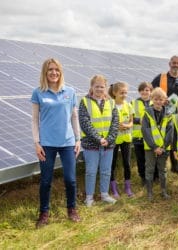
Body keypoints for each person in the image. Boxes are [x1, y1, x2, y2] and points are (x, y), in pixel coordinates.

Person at [31, 58, 81, 228]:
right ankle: (44, 212)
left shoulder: (70, 91)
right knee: (46, 180)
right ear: (45, 73)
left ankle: (71, 208)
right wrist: (37, 143)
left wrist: (78, 139)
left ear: (61, 72)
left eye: (57, 70)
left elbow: (74, 117)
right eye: (50, 70)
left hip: (67, 142)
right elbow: (34, 119)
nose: (54, 73)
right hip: (46, 144)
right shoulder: (38, 93)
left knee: (70, 179)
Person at [79, 75, 119, 207]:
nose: (99, 89)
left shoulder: (111, 102)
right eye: (96, 86)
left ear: (106, 88)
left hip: (108, 144)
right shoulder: (85, 101)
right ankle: (89, 198)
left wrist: (109, 139)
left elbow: (115, 122)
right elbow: (85, 123)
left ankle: (104, 194)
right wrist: (98, 138)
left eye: (102, 86)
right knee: (91, 171)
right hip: (91, 144)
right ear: (91, 87)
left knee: (106, 170)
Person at [151, 55, 178, 173]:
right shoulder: (160, 78)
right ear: (169, 63)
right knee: (161, 139)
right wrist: (160, 99)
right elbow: (150, 91)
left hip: (177, 114)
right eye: (174, 63)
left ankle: (175, 166)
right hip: (162, 113)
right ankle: (159, 167)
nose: (176, 65)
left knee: (174, 138)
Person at [142, 87, 174, 201]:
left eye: (161, 99)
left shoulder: (169, 114)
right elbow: (145, 131)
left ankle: (163, 191)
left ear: (164, 100)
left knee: (163, 170)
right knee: (150, 169)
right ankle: (150, 193)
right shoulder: (147, 114)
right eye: (156, 99)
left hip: (164, 148)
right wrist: (154, 147)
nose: (158, 101)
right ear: (152, 99)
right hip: (150, 148)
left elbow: (171, 132)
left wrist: (163, 147)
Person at [109, 82, 135, 198]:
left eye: (125, 92)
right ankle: (114, 189)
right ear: (115, 93)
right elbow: (107, 121)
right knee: (112, 164)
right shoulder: (109, 105)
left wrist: (128, 126)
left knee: (127, 163)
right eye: (121, 93)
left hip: (126, 139)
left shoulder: (128, 105)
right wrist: (116, 126)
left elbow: (131, 121)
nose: (124, 95)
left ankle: (127, 187)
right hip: (114, 140)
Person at [132, 82, 153, 186]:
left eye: (147, 90)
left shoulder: (154, 102)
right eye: (142, 90)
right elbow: (129, 118)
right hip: (138, 136)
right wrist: (139, 120)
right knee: (140, 159)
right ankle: (143, 178)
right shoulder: (133, 103)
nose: (145, 92)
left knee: (151, 159)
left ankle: (153, 177)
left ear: (150, 92)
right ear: (139, 91)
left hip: (152, 136)